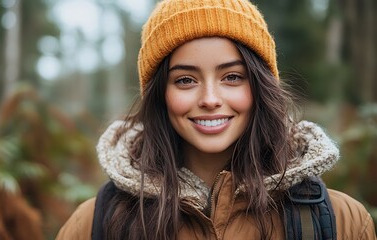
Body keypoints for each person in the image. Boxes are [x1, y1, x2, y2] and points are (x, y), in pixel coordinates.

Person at [56, 0, 377, 239]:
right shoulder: (96, 224)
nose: (210, 99)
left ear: (260, 87)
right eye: (185, 80)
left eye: (232, 77)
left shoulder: (339, 222)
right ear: (160, 95)